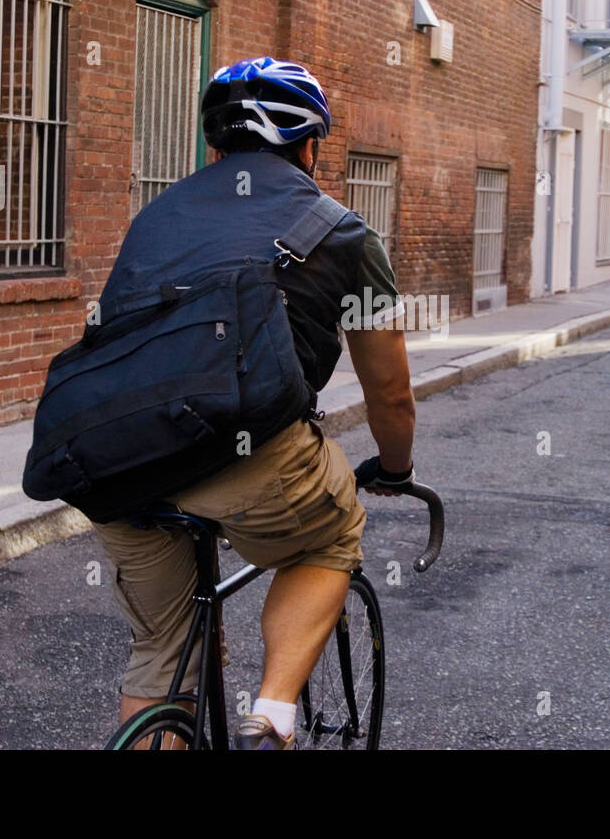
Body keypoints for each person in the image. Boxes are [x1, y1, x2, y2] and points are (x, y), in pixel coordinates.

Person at [92, 57, 417, 749]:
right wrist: (393, 465)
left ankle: (161, 719)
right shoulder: (342, 232)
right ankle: (271, 713)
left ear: (216, 149)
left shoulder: (156, 217)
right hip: (250, 450)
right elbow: (389, 387)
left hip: (114, 457)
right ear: (309, 148)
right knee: (329, 537)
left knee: (160, 649)